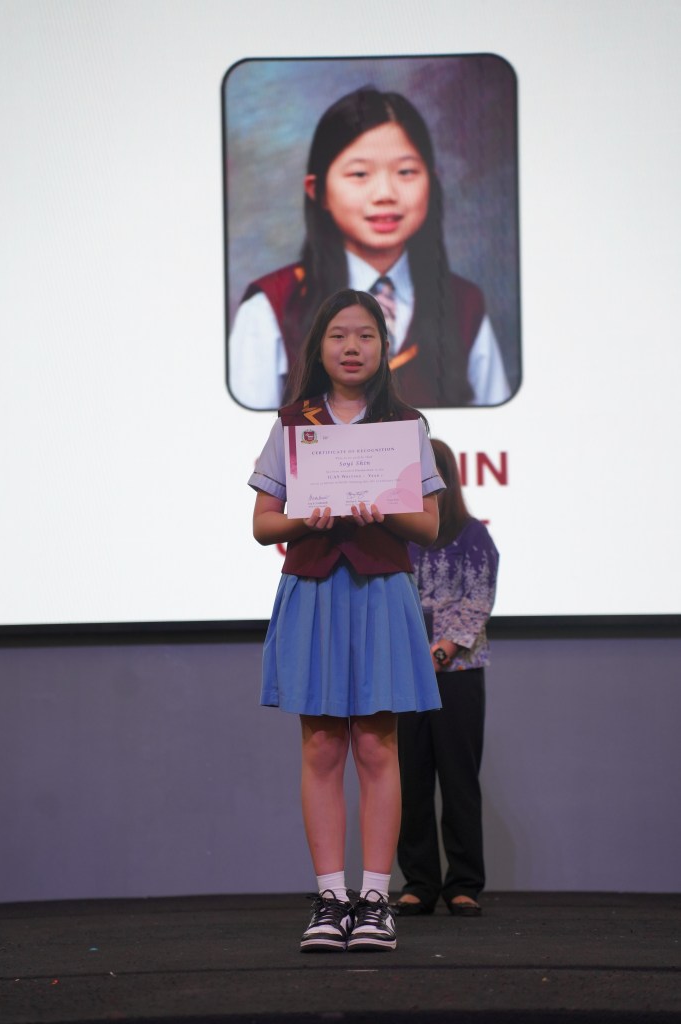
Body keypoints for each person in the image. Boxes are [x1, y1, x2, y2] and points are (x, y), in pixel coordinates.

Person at [248, 288, 444, 952]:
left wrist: (380, 508)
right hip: (314, 588)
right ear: (319, 347)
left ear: (384, 347)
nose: (351, 347)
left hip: (381, 589)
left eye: (365, 335)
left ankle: (375, 900)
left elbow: (428, 524)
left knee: (378, 746)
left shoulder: (404, 424)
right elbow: (262, 525)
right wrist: (309, 517)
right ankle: (331, 900)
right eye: (338, 335)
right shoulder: (292, 423)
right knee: (322, 746)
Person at [230, 86, 510, 410]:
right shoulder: (273, 306)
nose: (385, 194)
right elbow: (243, 432)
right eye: (360, 173)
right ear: (317, 190)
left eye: (406, 172)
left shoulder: (463, 304)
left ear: (431, 183)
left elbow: (502, 427)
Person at [393, 439, 499, 917]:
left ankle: (464, 885)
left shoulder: (473, 535)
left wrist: (439, 652)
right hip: (403, 676)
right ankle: (419, 883)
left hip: (456, 675)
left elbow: (477, 602)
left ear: (445, 478)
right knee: (409, 782)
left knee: (458, 781)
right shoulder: (398, 534)